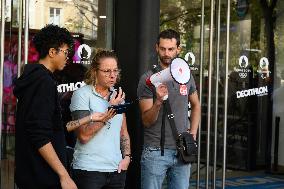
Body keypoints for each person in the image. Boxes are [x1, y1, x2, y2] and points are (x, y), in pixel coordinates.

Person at [13, 24, 77, 189]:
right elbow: (39, 134)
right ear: (52, 52)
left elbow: (47, 127)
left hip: (32, 175)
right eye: (65, 52)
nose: (67, 57)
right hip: (42, 178)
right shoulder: (43, 82)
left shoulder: (34, 78)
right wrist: (64, 176)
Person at [137, 29, 201, 189]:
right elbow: (146, 120)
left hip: (181, 150)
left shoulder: (186, 75)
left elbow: (196, 105)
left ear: (178, 49)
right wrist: (158, 102)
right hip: (155, 152)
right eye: (163, 48)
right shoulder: (148, 79)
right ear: (156, 48)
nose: (166, 53)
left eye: (171, 49)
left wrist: (192, 134)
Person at [70, 49, 131, 189]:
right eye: (107, 71)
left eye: (115, 71)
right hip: (89, 171)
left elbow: (123, 132)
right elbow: (83, 135)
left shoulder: (117, 96)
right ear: (95, 71)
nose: (112, 75)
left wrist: (127, 157)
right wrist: (109, 111)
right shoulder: (82, 95)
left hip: (116, 170)